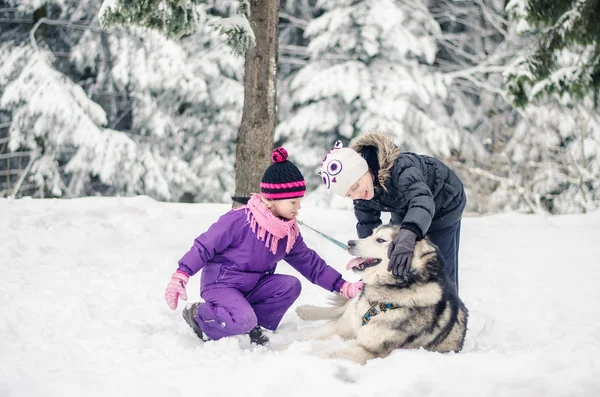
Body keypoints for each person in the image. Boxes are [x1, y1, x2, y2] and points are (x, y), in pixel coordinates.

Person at [164, 147, 363, 345]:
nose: (298, 207)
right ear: (271, 200)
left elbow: (310, 264)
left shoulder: (286, 231)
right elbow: (204, 246)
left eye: (299, 201)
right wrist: (182, 274)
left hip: (253, 286)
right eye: (293, 202)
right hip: (222, 285)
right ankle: (200, 316)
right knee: (243, 319)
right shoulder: (239, 220)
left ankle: (254, 328)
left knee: (290, 286)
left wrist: (342, 286)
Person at [319, 133, 466, 293]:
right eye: (349, 194)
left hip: (444, 203)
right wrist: (369, 257)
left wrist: (409, 234)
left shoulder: (401, 168)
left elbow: (421, 200)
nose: (356, 196)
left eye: (355, 187)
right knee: (398, 254)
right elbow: (367, 226)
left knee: (436, 263)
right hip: (404, 207)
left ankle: (447, 308)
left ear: (364, 169)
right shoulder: (363, 190)